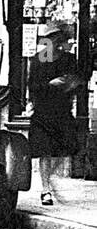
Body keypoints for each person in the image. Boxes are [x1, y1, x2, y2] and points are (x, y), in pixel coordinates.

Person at [29, 21, 83, 206]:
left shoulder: (68, 60)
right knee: (45, 151)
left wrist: (70, 84)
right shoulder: (38, 60)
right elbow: (33, 87)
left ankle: (50, 178)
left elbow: (76, 81)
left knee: (69, 147)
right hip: (44, 111)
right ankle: (46, 190)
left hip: (62, 111)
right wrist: (51, 84)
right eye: (52, 38)